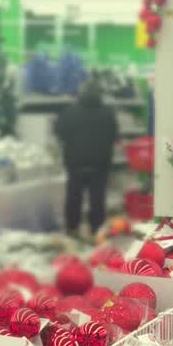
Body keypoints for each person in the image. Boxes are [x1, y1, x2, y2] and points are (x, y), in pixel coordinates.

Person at [53, 80, 118, 239]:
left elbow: (59, 132)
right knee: (97, 198)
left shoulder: (70, 111)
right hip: (100, 163)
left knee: (74, 196)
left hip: (75, 161)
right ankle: (96, 230)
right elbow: (113, 135)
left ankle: (72, 229)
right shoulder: (108, 113)